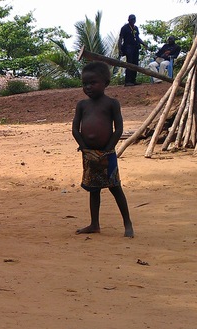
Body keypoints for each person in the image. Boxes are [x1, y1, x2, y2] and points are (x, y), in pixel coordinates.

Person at [72, 61, 134, 238]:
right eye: (85, 83)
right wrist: (84, 148)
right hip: (89, 154)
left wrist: (107, 150)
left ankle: (127, 223)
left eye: (93, 83)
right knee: (93, 189)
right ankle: (94, 224)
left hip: (107, 154)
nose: (88, 87)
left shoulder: (112, 103)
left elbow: (119, 129)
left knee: (115, 188)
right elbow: (75, 128)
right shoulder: (82, 105)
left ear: (105, 83)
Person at [118, 14, 148, 87]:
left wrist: (144, 43)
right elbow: (120, 38)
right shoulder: (124, 28)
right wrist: (119, 49)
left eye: (134, 19)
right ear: (128, 20)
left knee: (135, 63)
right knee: (129, 63)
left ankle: (133, 80)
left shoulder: (136, 28)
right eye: (131, 19)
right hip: (128, 47)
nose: (133, 20)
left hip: (135, 47)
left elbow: (137, 37)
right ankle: (127, 81)